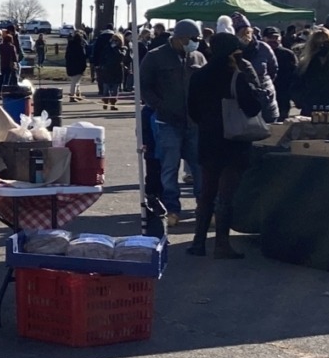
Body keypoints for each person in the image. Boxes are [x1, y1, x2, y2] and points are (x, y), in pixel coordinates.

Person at [185, 31, 266, 258]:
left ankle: (198, 242)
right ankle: (221, 244)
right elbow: (252, 108)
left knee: (207, 193)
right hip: (233, 140)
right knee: (226, 195)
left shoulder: (199, 76)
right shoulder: (236, 76)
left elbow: (192, 109)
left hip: (208, 138)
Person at [140, 19, 204, 218]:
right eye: (191, 39)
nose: (194, 43)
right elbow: (144, 86)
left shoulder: (199, 57)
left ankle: (204, 206)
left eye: (197, 39)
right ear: (179, 38)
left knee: (199, 167)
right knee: (169, 167)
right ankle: (172, 209)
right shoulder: (155, 57)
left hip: (194, 122)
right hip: (167, 122)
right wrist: (159, 105)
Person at [231, 14, 278, 122]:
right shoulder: (232, 50)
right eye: (241, 33)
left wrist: (264, 85)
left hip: (265, 99)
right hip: (242, 103)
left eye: (247, 32)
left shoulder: (263, 48)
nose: (245, 36)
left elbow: (273, 70)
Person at [262, 27, 298, 120]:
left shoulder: (287, 54)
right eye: (270, 37)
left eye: (276, 37)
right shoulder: (259, 53)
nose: (273, 40)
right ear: (264, 38)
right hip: (265, 94)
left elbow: (295, 74)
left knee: (282, 123)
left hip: (283, 94)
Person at [91, 29, 126, 111]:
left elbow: (121, 57)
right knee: (106, 88)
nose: (114, 42)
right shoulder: (107, 48)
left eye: (116, 40)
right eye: (113, 40)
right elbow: (103, 56)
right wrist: (100, 65)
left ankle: (113, 104)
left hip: (117, 71)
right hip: (107, 70)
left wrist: (115, 48)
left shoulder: (122, 49)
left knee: (115, 90)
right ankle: (105, 102)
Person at [64, 30, 88, 102]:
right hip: (78, 67)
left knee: (76, 81)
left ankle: (77, 94)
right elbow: (83, 57)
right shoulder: (80, 46)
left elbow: (67, 56)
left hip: (70, 66)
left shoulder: (70, 45)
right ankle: (72, 95)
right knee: (75, 82)